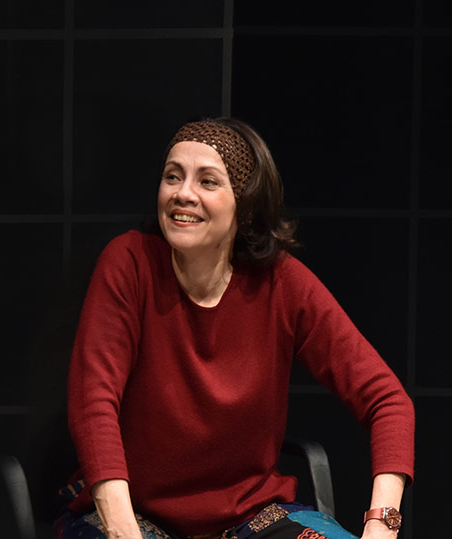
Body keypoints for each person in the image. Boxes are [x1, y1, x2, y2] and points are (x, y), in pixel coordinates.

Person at [57, 119, 414, 539]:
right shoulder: (129, 262)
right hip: (131, 512)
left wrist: (382, 523)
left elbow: (388, 400)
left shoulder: (283, 283)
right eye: (172, 176)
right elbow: (93, 404)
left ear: (244, 207)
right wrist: (123, 530)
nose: (183, 193)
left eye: (208, 181)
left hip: (249, 517)